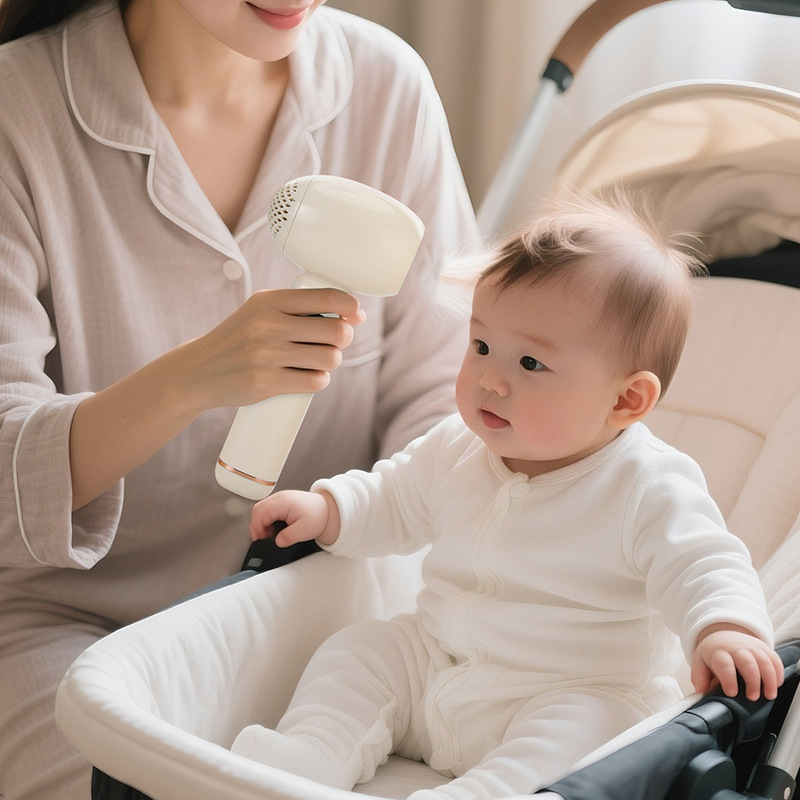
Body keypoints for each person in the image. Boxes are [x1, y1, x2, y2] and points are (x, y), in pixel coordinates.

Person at [0, 1, 479, 798]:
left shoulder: (385, 86)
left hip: (328, 618)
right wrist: (194, 377)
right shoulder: (19, 115)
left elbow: (446, 398)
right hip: (78, 637)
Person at [233, 192, 784, 799]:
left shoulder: (648, 484)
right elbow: (393, 497)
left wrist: (725, 627)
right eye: (481, 346)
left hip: (567, 690)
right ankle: (309, 757)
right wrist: (331, 509)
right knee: (363, 649)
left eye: (529, 362)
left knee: (594, 731)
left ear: (627, 401)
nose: (491, 378)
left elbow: (704, 563)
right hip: (436, 663)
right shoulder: (456, 447)